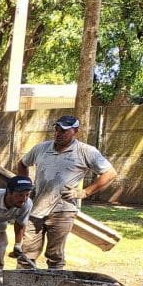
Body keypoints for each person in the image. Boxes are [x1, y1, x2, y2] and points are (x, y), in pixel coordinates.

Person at [15, 114, 116, 270]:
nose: (58, 134)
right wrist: (25, 188)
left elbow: (110, 173)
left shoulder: (85, 151)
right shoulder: (41, 148)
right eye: (56, 130)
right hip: (36, 209)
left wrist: (85, 192)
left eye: (63, 131)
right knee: (26, 254)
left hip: (62, 211)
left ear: (75, 131)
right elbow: (22, 164)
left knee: (55, 255)